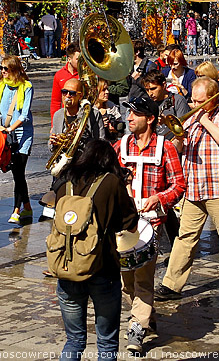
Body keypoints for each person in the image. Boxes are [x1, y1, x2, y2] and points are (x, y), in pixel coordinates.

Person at [155, 77, 219, 303]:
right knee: (185, 237)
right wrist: (178, 139)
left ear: (214, 98)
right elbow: (177, 150)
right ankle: (171, 284)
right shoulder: (191, 118)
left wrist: (203, 119)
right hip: (194, 188)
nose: (193, 105)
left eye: (200, 101)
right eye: (192, 101)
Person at [53, 140, 139, 359]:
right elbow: (130, 222)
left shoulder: (66, 182)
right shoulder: (111, 182)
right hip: (103, 269)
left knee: (73, 340)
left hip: (68, 269)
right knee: (107, 343)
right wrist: (126, 186)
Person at [115, 96, 186, 355]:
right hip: (123, 223)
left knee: (143, 279)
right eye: (129, 114)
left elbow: (179, 185)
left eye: (135, 114)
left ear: (150, 119)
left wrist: (159, 198)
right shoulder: (120, 146)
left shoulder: (165, 148)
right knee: (126, 283)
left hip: (150, 223)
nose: (129, 118)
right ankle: (147, 317)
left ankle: (137, 328)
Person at [0, 56, 34, 224]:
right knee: (17, 172)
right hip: (7, 135)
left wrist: (9, 128)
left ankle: (16, 210)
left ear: (15, 70)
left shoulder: (26, 87)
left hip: (23, 134)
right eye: (1, 68)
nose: (2, 72)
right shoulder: (2, 87)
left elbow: (24, 115)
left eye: (6, 69)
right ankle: (27, 207)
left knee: (19, 172)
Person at [141, 69, 190, 151]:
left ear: (164, 85)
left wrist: (166, 122)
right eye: (147, 90)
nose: (150, 93)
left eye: (153, 89)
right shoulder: (146, 103)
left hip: (174, 148)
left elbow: (185, 130)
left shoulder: (177, 100)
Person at [50, 42, 81, 117]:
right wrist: (54, 124)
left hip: (82, 114)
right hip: (66, 116)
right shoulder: (59, 75)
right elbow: (56, 102)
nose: (81, 62)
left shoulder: (86, 73)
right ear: (69, 59)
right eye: (78, 59)